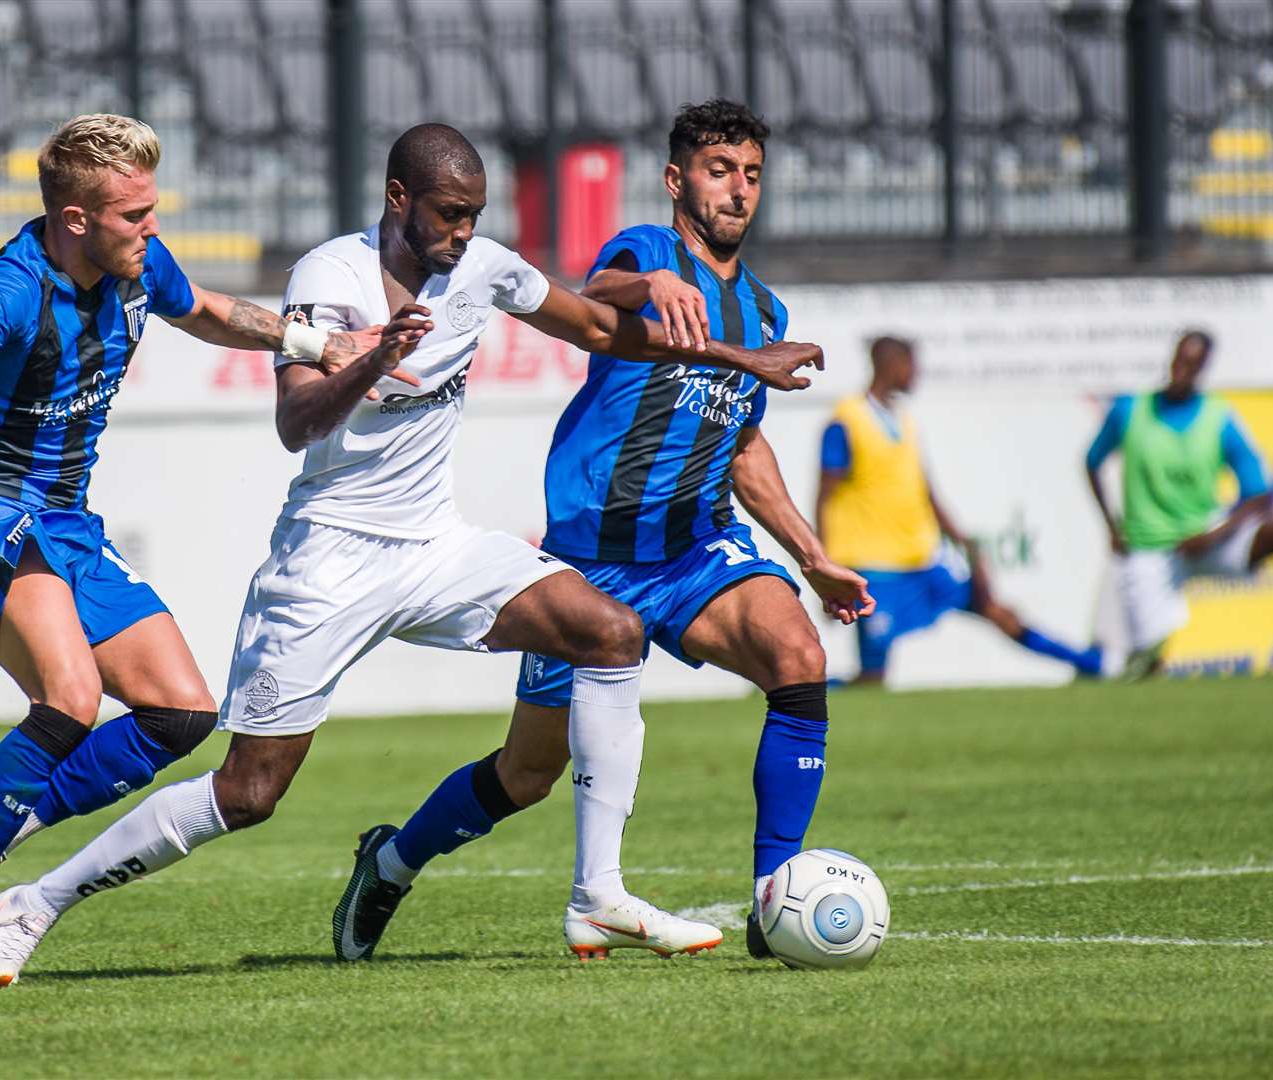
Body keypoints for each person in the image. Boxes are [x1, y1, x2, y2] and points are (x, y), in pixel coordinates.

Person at [0, 121, 830, 983]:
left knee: (606, 633)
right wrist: (369, 356)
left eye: (474, 215)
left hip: (433, 544)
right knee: (248, 793)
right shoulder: (328, 274)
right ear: (397, 199)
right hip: (328, 560)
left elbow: (597, 328)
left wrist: (740, 356)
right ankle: (37, 903)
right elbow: (295, 424)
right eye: (449, 214)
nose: (462, 234)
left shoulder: (482, 266)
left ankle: (595, 892)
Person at [331, 100, 876, 965]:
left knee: (797, 658)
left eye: (751, 174)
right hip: (589, 566)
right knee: (525, 775)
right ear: (676, 181)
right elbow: (597, 293)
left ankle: (773, 902)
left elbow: (740, 442)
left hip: (695, 551)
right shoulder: (644, 252)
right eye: (718, 170)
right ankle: (391, 861)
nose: (738, 190)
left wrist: (812, 560)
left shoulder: (764, 313)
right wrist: (652, 288)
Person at [0, 114, 378, 986]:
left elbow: (210, 312)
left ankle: (7, 817)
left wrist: (317, 343)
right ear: (75, 221)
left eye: (150, 208)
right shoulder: (16, 284)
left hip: (65, 520)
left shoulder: (138, 266)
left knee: (179, 714)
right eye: (133, 214)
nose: (151, 227)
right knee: (70, 697)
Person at [817, 336, 1102, 684]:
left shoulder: (903, 421)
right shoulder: (845, 421)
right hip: (873, 570)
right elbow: (824, 497)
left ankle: (1087, 663)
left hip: (922, 561)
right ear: (890, 365)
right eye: (911, 365)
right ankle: (791, 688)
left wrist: (966, 545)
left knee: (997, 611)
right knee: (873, 678)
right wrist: (825, 568)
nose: (915, 374)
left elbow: (926, 493)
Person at [1086, 329, 1273, 677]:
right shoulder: (1130, 410)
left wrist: (1214, 535)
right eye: (1179, 361)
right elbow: (1091, 462)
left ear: (1203, 368)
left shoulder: (1218, 417)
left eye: (1191, 364)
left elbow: (1259, 493)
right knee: (1148, 658)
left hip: (1206, 538)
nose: (1182, 370)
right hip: (1149, 547)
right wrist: (1111, 526)